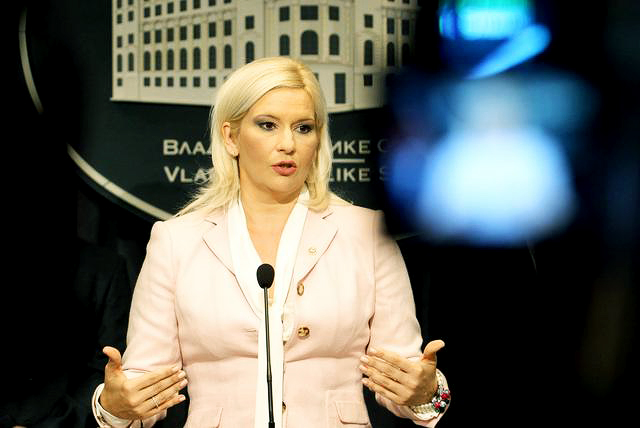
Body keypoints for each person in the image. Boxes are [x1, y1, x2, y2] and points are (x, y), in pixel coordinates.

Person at [91, 56, 450, 428]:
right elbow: (141, 392)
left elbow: (409, 381)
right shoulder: (176, 241)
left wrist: (426, 392)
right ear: (231, 137)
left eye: (303, 128)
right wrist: (114, 406)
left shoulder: (368, 234)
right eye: (267, 125)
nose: (288, 144)